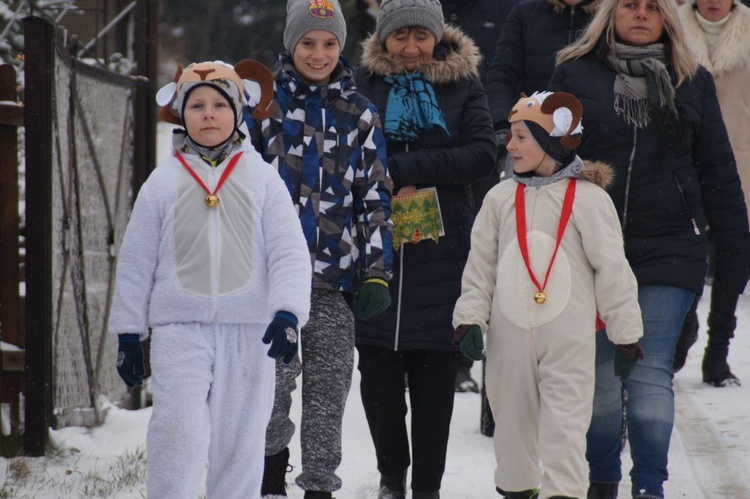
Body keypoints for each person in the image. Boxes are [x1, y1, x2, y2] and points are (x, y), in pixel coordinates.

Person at [548, 0, 750, 495]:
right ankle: (601, 480)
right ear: (609, 16)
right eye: (630, 6)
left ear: (666, 18)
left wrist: (732, 244)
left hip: (670, 247)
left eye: (652, 8)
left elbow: (717, 168)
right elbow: (545, 159)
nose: (641, 15)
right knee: (598, 379)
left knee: (648, 369)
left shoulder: (692, 80)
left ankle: (649, 485)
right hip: (588, 249)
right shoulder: (573, 74)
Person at [109, 60, 312, 499]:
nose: (208, 113)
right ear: (180, 113)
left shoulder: (263, 180)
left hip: (249, 332)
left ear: (239, 112)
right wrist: (128, 331)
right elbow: (136, 261)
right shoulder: (161, 183)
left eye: (220, 104)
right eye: (196, 104)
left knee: (240, 440)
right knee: (177, 432)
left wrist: (288, 311)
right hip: (179, 330)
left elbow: (289, 251)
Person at [453, 91, 644, 499]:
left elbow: (613, 269)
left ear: (550, 141)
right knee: (512, 432)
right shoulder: (500, 198)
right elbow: (480, 264)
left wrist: (625, 333)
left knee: (565, 431)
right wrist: (470, 316)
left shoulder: (589, 200)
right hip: (509, 339)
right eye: (510, 136)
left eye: (521, 137)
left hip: (568, 340)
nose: (510, 146)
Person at [244, 1, 393, 497]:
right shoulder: (262, 108)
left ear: (342, 47)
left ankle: (320, 486)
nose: (318, 53)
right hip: (271, 282)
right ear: (291, 44)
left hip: (336, 281)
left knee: (328, 393)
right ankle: (269, 472)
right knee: (273, 386)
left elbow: (373, 197)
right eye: (308, 42)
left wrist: (377, 271)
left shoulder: (360, 113)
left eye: (329, 43)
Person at [353, 0, 497, 497]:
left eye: (421, 36)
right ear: (383, 38)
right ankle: (392, 476)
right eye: (399, 37)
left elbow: (482, 154)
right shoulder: (362, 84)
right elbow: (351, 151)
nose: (411, 48)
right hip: (376, 249)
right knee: (379, 383)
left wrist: (407, 171)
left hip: (444, 248)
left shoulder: (462, 84)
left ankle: (428, 488)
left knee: (435, 384)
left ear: (437, 35)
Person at [440, 0, 519, 395]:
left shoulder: (519, 9)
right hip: (451, 138)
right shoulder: (441, 8)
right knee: (453, 248)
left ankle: (467, 358)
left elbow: (513, 68)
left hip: (506, 141)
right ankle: (450, 356)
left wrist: (506, 123)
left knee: (488, 251)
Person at [672, 0, 750, 386]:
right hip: (686, 163)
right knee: (685, 254)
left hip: (742, 161)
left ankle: (718, 352)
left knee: (735, 257)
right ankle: (678, 338)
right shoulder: (669, 28)